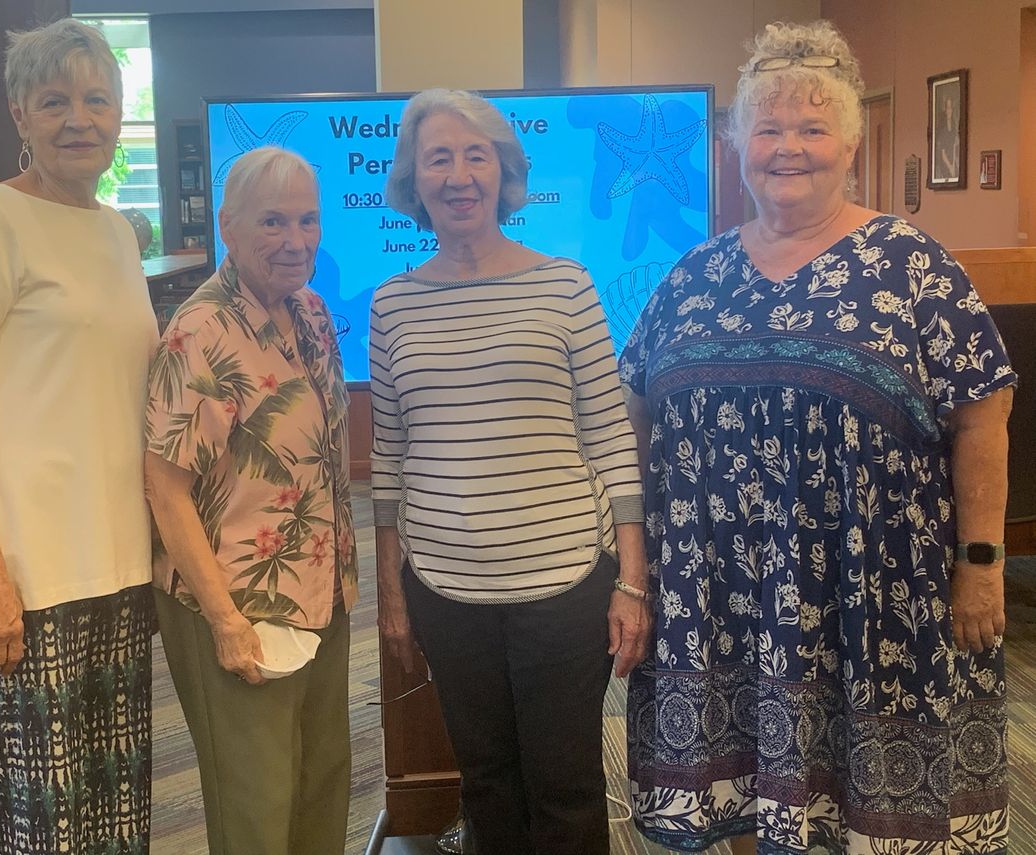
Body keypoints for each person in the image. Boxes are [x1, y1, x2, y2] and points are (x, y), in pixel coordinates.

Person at [620, 20, 1014, 855]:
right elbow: (635, 405)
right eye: (766, 129)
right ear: (735, 146)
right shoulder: (692, 274)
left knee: (862, 813)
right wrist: (638, 565)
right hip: (717, 592)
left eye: (811, 128)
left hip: (868, 593)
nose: (786, 148)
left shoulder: (912, 263)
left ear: (850, 144)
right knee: (738, 795)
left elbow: (984, 414)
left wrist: (981, 565)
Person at [371, 88, 650, 855]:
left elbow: (611, 438)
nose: (459, 174)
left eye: (476, 154)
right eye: (439, 157)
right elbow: (387, 458)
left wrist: (631, 579)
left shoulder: (565, 284)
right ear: (412, 180)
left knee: (565, 785)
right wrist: (391, 594)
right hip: (445, 589)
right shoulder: (392, 304)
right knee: (486, 780)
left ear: (503, 171)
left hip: (564, 584)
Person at [0, 19, 157, 854]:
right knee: (45, 816)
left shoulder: (119, 231)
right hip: (30, 570)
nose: (77, 119)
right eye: (54, 101)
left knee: (117, 802)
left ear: (120, 115)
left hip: (121, 564)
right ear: (19, 112)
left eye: (97, 99)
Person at [144, 145, 357, 855]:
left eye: (307, 220)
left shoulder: (315, 313)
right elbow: (165, 490)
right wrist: (226, 620)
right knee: (256, 808)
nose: (295, 241)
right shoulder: (200, 332)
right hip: (234, 603)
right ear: (228, 225)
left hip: (321, 592)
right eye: (272, 222)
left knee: (321, 783)